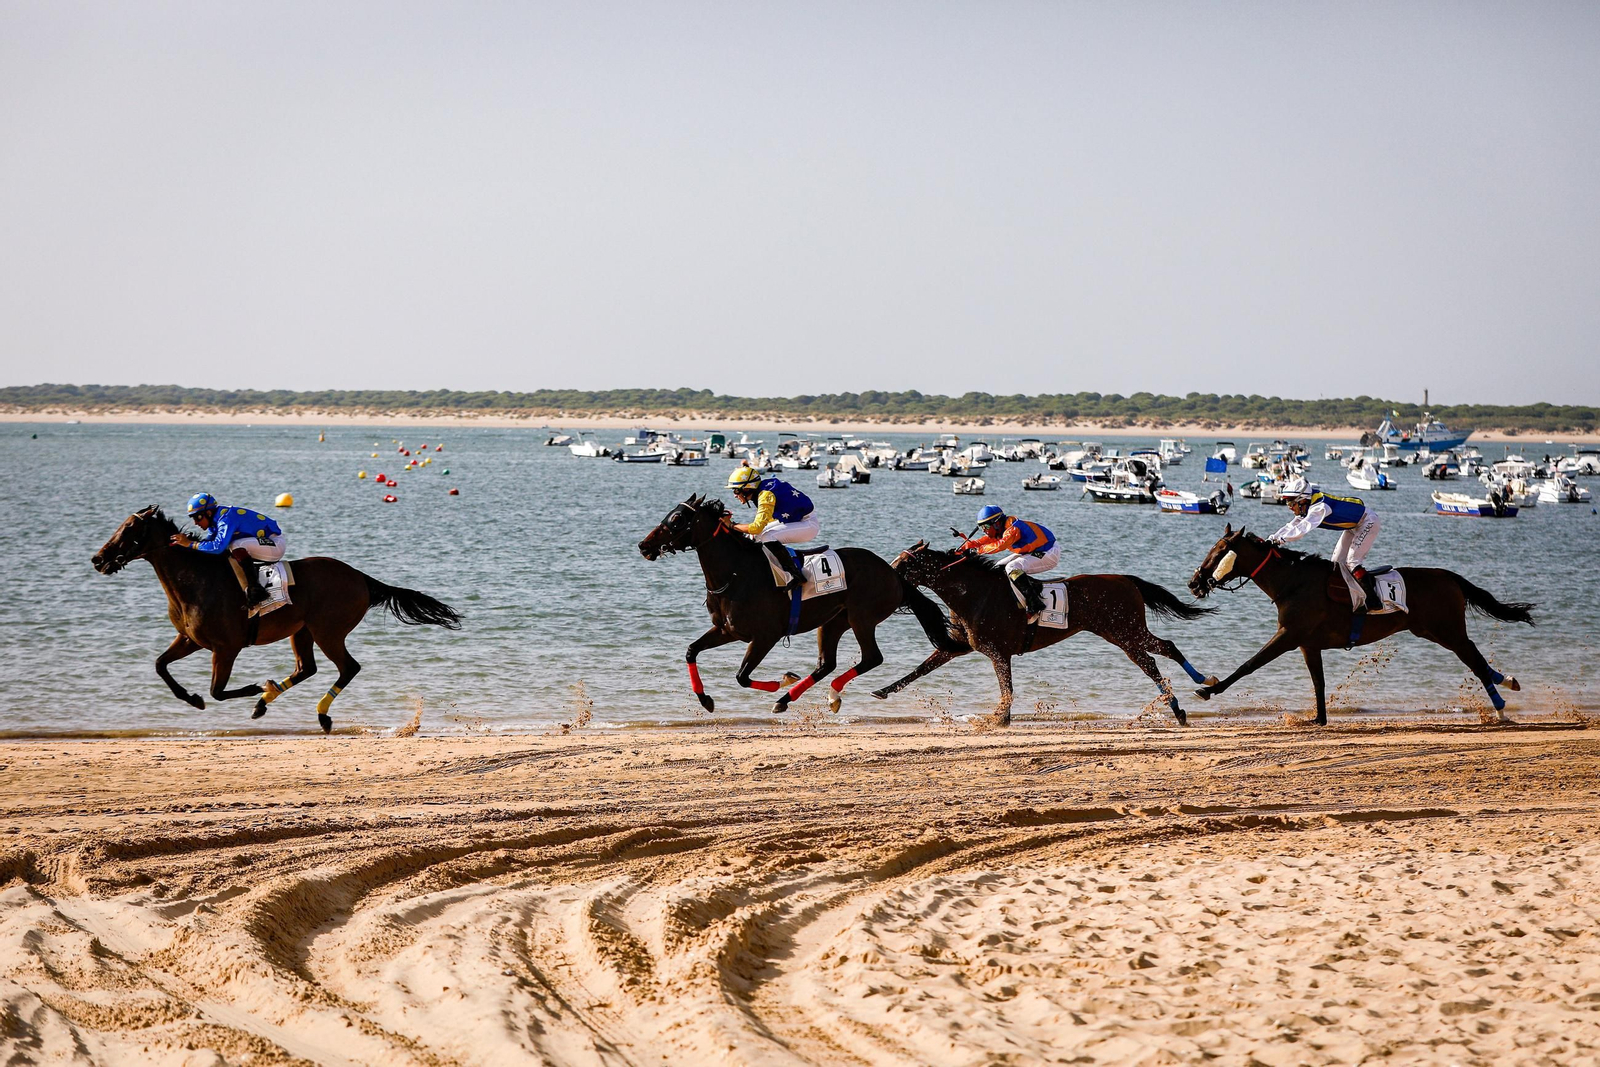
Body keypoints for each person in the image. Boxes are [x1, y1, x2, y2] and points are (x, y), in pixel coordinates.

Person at [1270, 477, 1382, 613]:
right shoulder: (1307, 506)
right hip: (1354, 526)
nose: (1290, 508)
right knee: (1336, 564)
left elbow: (1302, 529)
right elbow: (1292, 525)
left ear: (1302, 500)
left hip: (1368, 522)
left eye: (1291, 503)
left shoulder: (1319, 508)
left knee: (1352, 561)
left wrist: (1280, 540)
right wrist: (1272, 538)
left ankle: (1373, 601)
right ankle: (1350, 597)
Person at [170, 492, 287, 612]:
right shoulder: (215, 522)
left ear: (208, 513)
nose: (195, 523)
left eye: (197, 517)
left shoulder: (226, 518)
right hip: (263, 544)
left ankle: (255, 590)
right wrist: (189, 543)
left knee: (235, 545)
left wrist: (190, 544)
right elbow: (208, 543)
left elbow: (217, 547)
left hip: (275, 544)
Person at [728, 466, 818, 589]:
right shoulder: (761, 491)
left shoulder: (765, 495)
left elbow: (756, 527)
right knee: (756, 536)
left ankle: (795, 575)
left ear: (747, 488)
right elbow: (761, 525)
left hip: (808, 524)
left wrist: (731, 525)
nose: (735, 495)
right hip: (795, 520)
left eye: (736, 490)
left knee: (768, 536)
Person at [963, 504, 1058, 613]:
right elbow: (983, 541)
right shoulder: (1001, 529)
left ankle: (1035, 603)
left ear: (997, 524)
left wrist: (976, 551)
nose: (984, 530)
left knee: (1012, 567)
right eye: (982, 527)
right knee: (997, 567)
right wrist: (965, 547)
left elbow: (1000, 545)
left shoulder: (1013, 529)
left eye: (986, 527)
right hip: (1034, 552)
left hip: (1048, 552)